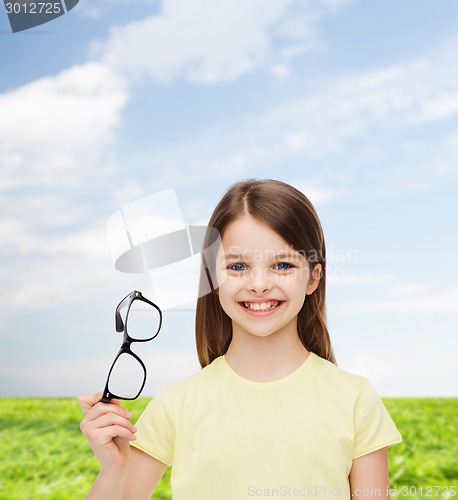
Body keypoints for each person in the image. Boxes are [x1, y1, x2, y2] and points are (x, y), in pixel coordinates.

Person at [78, 179, 402, 499]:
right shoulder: (177, 404)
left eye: (282, 264)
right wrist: (113, 471)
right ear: (212, 277)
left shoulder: (355, 399)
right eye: (237, 266)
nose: (259, 284)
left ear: (313, 277)